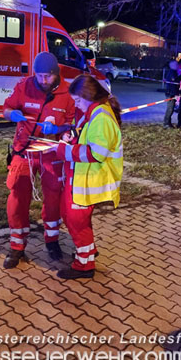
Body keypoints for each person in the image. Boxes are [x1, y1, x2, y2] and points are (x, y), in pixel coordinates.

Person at [2, 52, 75, 269]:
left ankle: (52, 241)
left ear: (56, 74)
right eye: (39, 76)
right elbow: (6, 108)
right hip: (24, 151)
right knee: (17, 196)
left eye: (47, 76)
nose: (43, 80)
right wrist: (11, 114)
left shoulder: (68, 93)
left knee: (53, 197)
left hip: (51, 153)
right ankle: (17, 246)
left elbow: (72, 125)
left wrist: (62, 130)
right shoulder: (25, 86)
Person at [47, 74, 123, 279]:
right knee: (76, 220)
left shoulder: (101, 117)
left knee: (76, 221)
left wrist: (64, 151)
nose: (76, 105)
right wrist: (70, 137)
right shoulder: (93, 112)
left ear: (89, 95)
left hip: (88, 181)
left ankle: (84, 265)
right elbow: (86, 138)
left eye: (78, 100)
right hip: (82, 179)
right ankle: (87, 252)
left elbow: (96, 153)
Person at [163, 60, 180, 128]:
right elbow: (173, 85)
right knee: (170, 109)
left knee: (171, 108)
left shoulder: (173, 72)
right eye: (176, 65)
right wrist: (175, 94)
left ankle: (168, 123)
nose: (177, 66)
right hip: (171, 93)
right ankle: (166, 123)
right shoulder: (172, 73)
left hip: (171, 93)